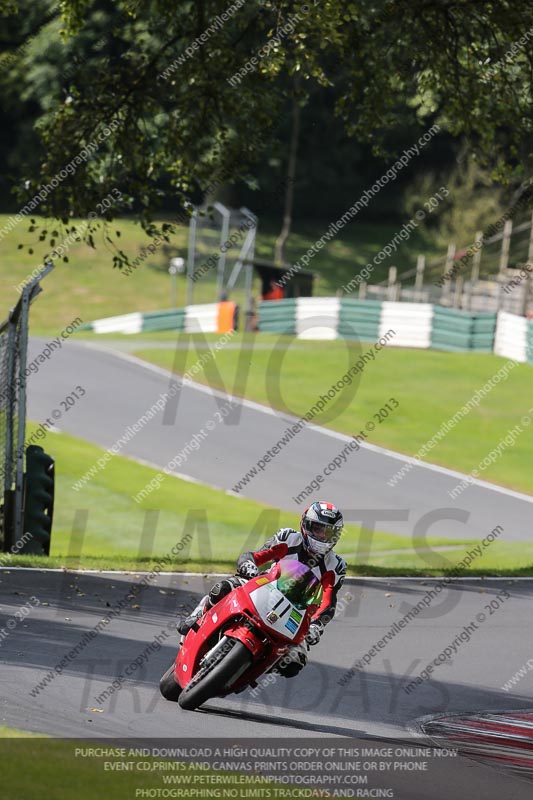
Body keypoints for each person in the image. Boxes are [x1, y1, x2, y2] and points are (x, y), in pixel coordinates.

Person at [178, 501, 346, 678]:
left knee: (293, 663)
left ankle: (251, 667)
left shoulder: (336, 566)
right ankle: (198, 616)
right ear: (305, 525)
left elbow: (328, 601)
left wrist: (316, 625)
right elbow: (254, 556)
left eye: (328, 532)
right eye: (318, 528)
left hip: (299, 613)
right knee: (224, 588)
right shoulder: (288, 538)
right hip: (265, 587)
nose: (322, 536)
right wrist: (248, 565)